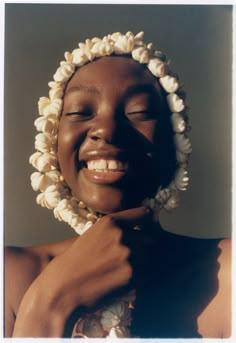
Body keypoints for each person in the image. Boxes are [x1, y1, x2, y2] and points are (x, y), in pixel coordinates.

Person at [4, 31, 231, 338]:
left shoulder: (228, 274)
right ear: (52, 141)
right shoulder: (10, 277)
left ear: (175, 141)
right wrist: (51, 303)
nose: (107, 131)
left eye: (140, 112)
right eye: (79, 112)